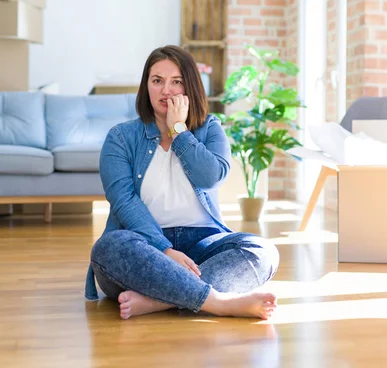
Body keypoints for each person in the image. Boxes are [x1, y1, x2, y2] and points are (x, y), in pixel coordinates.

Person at [84, 45, 280, 320]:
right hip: (145, 248)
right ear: (146, 86)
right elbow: (124, 203)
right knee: (108, 247)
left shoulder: (210, 128)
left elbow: (211, 178)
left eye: (176, 82)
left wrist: (179, 131)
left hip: (202, 244)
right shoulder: (120, 137)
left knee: (262, 251)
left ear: (190, 87)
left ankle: (157, 301)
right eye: (157, 81)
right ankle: (217, 301)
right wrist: (164, 251)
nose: (166, 90)